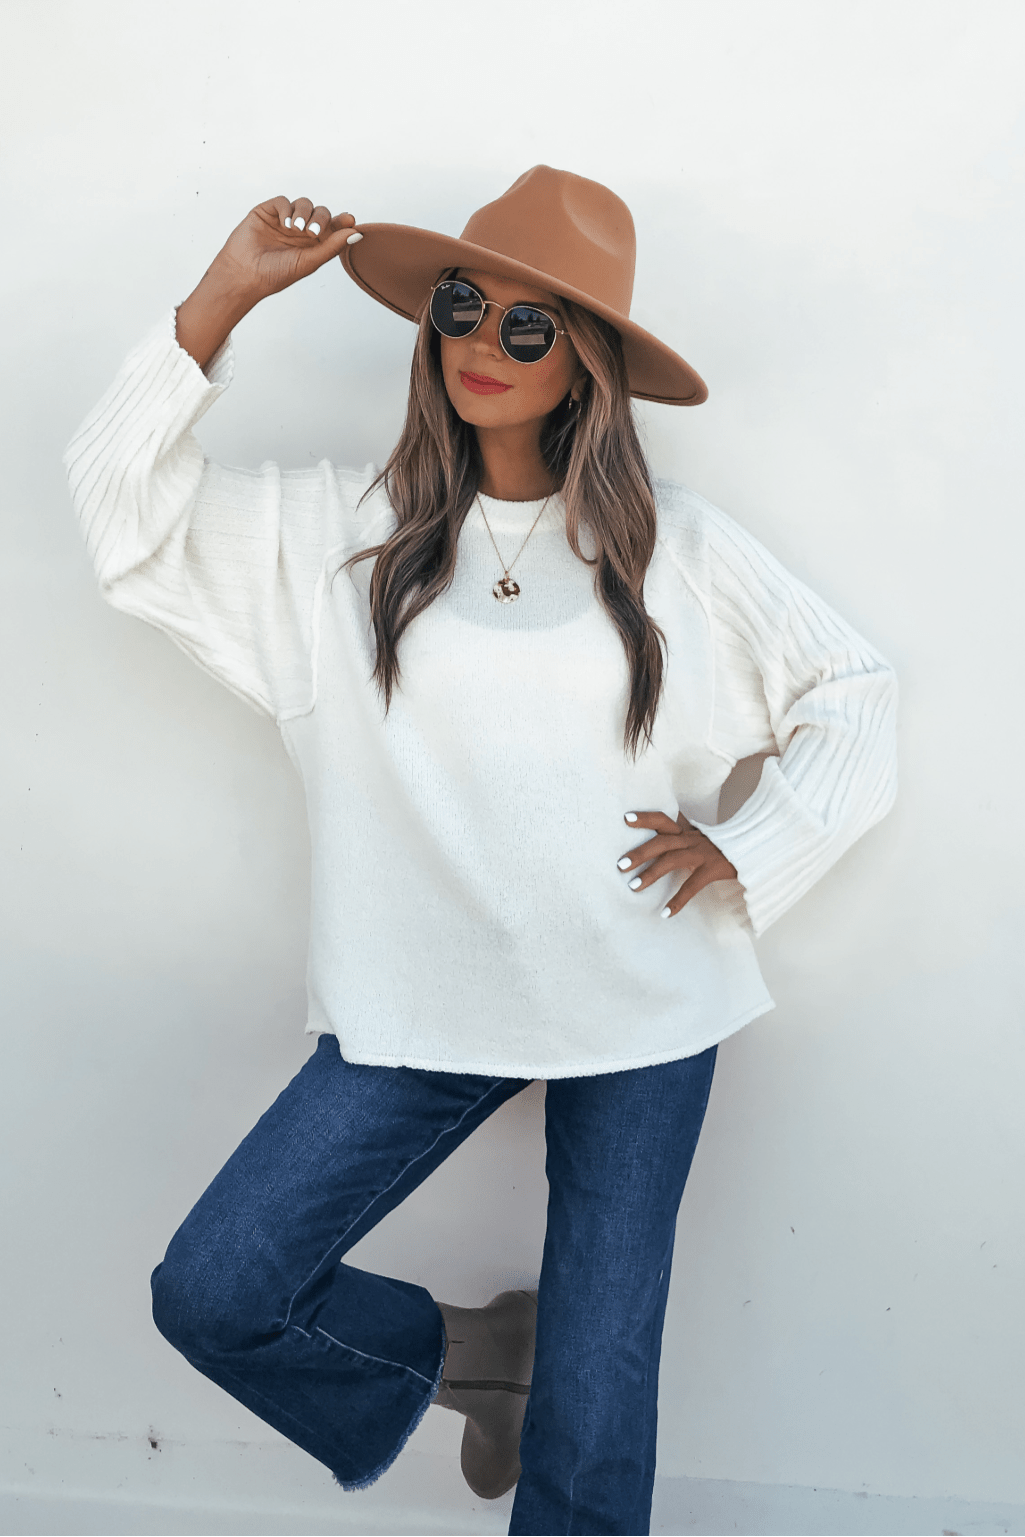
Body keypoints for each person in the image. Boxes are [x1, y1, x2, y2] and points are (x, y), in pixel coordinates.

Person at [64, 165, 898, 1537]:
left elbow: (852, 692)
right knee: (218, 1287)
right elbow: (122, 524)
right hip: (418, 1005)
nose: (484, 345)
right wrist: (220, 298)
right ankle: (474, 1357)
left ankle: (546, 1376)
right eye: (463, 306)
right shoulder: (336, 540)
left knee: (596, 1408)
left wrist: (757, 850)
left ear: (589, 368)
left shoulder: (671, 552)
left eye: (531, 325)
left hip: (641, 1006)